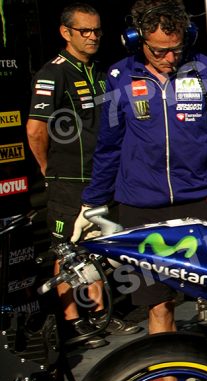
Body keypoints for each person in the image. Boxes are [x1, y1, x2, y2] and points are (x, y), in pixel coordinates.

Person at [78, 0, 207, 336]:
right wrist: (93, 202)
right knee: (159, 304)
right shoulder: (119, 77)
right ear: (136, 40)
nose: (169, 58)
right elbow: (108, 147)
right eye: (159, 51)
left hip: (196, 204)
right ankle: (170, 372)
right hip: (140, 208)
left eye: (176, 49)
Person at [26, 2, 140, 348]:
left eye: (97, 30)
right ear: (66, 32)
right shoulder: (53, 73)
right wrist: (49, 171)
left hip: (101, 177)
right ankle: (73, 321)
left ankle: (100, 314)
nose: (92, 37)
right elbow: (35, 130)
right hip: (67, 181)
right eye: (84, 31)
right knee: (66, 250)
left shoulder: (101, 72)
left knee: (96, 247)